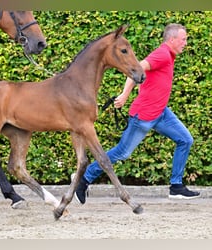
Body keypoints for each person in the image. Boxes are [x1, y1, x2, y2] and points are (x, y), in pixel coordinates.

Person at [74, 23, 200, 204]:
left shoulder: (169, 55)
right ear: (172, 40)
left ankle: (176, 186)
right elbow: (136, 69)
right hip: (144, 116)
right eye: (183, 39)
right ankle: (84, 179)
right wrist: (124, 95)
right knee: (122, 152)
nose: (185, 43)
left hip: (161, 113)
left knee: (185, 140)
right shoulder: (162, 54)